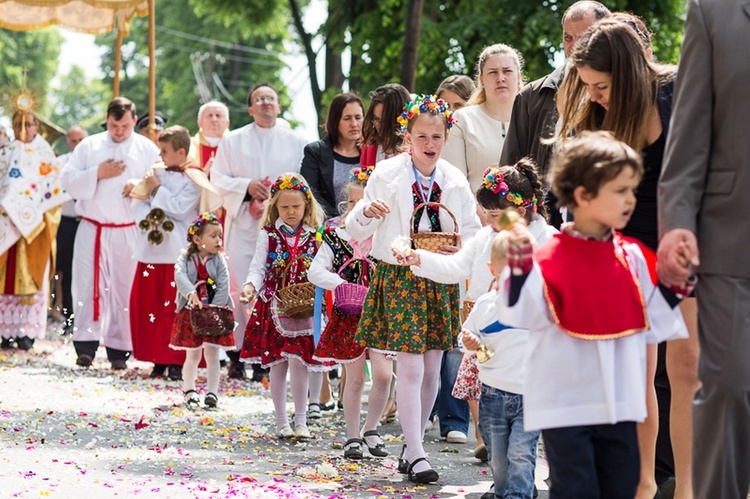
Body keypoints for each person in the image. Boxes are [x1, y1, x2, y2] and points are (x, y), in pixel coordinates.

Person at [498, 131, 692, 498]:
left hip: (620, 404)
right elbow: (520, 312)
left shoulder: (632, 256)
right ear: (584, 196)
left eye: (632, 190)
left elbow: (651, 318)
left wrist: (676, 284)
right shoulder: (548, 258)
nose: (631, 201)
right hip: (565, 406)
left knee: (620, 487)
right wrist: (520, 269)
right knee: (576, 489)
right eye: (620, 191)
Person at [554, 18, 684, 497]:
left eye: (601, 86)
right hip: (620, 258)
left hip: (675, 251)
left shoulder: (676, 95)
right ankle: (641, 483)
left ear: (627, 76)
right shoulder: (594, 114)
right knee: (639, 377)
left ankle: (669, 481)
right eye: (586, 86)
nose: (592, 97)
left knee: (679, 373)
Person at [347, 94, 481, 483]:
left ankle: (412, 444)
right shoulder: (386, 174)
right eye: (421, 136)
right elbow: (358, 227)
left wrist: (460, 244)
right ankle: (418, 452)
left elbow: (470, 231)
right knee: (408, 364)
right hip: (400, 275)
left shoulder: (454, 179)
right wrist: (365, 212)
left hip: (437, 275)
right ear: (408, 137)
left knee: (431, 365)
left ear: (445, 137)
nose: (429, 144)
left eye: (436, 136)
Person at [657, 1, 750, 497]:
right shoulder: (714, 12)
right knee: (729, 383)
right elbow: (689, 128)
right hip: (732, 234)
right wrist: (677, 221)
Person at [406, 161, 556, 463]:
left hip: (522, 337)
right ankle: (490, 443)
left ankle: (527, 462)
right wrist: (418, 258)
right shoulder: (486, 237)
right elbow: (456, 266)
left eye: (494, 214)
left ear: (521, 211)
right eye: (485, 213)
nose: (487, 221)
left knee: (524, 405)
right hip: (483, 329)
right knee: (487, 399)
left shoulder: (545, 238)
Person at [211, 83, 307, 380]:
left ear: (278, 106)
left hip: (283, 227)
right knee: (240, 287)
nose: (265, 102)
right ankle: (239, 352)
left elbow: (303, 182)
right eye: (259, 99)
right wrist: (247, 190)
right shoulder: (233, 140)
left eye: (271, 98)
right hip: (244, 226)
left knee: (277, 287)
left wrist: (271, 203)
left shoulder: (297, 141)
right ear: (251, 108)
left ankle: (274, 351)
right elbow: (218, 177)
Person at [61, 97, 160, 370]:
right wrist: (97, 173)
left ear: (134, 121)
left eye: (125, 125)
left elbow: (160, 182)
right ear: (107, 119)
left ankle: (119, 350)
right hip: (93, 227)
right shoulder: (89, 145)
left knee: (123, 289)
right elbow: (67, 179)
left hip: (128, 230)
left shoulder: (146, 147)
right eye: (114, 125)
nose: (119, 131)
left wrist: (139, 186)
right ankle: (85, 346)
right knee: (85, 285)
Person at [500, 1, 610, 226]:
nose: (574, 47)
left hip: (601, 220)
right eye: (568, 38)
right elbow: (511, 169)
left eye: (584, 37)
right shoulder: (530, 97)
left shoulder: (619, 95)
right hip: (540, 225)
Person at [309, 165, 391, 459]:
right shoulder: (337, 236)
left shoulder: (385, 238)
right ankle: (353, 435)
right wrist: (342, 284)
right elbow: (314, 271)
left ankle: (372, 428)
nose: (360, 209)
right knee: (355, 378)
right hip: (349, 313)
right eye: (355, 203)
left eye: (366, 202)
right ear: (347, 205)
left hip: (381, 313)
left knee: (383, 375)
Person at [239, 173, 325, 440]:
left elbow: (324, 268)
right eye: (284, 207)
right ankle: (281, 422)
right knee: (278, 364)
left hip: (305, 307)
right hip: (275, 306)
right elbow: (258, 266)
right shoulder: (268, 234)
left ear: (307, 206)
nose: (290, 212)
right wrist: (250, 287)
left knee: (300, 362)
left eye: (296, 207)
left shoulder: (316, 236)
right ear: (275, 206)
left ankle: (301, 421)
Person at [460, 232, 540, 499]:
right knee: (498, 459)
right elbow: (468, 337)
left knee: (521, 453)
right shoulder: (485, 305)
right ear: (492, 270)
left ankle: (519, 494)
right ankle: (506, 492)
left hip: (530, 394)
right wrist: (471, 342)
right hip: (492, 395)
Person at [128, 125, 203, 381]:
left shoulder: (194, 178)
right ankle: (156, 358)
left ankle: (177, 360)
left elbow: (180, 208)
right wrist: (148, 219)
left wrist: (157, 189)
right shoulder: (154, 173)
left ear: (181, 152)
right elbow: (138, 200)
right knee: (151, 308)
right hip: (151, 248)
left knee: (176, 309)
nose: (160, 156)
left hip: (177, 250)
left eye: (164, 151)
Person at [0, 111, 68, 350]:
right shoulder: (5, 153)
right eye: (18, 124)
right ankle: (4, 331)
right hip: (6, 226)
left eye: (28, 124)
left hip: (35, 227)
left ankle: (26, 332)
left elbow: (54, 191)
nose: (23, 129)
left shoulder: (45, 154)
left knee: (31, 275)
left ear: (36, 126)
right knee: (5, 278)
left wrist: (33, 210)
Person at [170, 213, 234, 408]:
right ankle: (189, 389)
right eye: (213, 236)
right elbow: (179, 275)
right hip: (191, 312)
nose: (218, 240)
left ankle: (212, 392)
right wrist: (190, 293)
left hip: (214, 314)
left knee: (213, 355)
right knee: (193, 354)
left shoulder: (219, 260)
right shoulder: (185, 258)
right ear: (197, 239)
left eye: (220, 236)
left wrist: (215, 309)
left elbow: (224, 283)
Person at [442, 44, 524, 193]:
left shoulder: (532, 119)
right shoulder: (462, 120)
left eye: (507, 71)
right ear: (481, 80)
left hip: (525, 215)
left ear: (518, 77)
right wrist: (482, 214)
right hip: (474, 213)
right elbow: (455, 182)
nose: (500, 78)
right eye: (493, 72)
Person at [300, 93, 364, 219]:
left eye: (358, 117)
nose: (354, 123)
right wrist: (339, 220)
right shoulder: (315, 152)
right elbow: (310, 194)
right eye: (347, 118)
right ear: (335, 121)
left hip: (365, 226)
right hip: (327, 228)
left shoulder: (371, 153)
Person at [51, 125, 88, 332]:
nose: (77, 145)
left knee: (86, 272)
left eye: (81, 140)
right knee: (65, 271)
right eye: (73, 141)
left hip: (87, 221)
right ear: (68, 142)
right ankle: (69, 317)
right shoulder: (59, 163)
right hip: (65, 222)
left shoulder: (95, 161)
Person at [359, 84, 411, 168]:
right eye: (376, 119)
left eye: (386, 121)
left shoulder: (414, 150)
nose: (380, 126)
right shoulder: (368, 145)